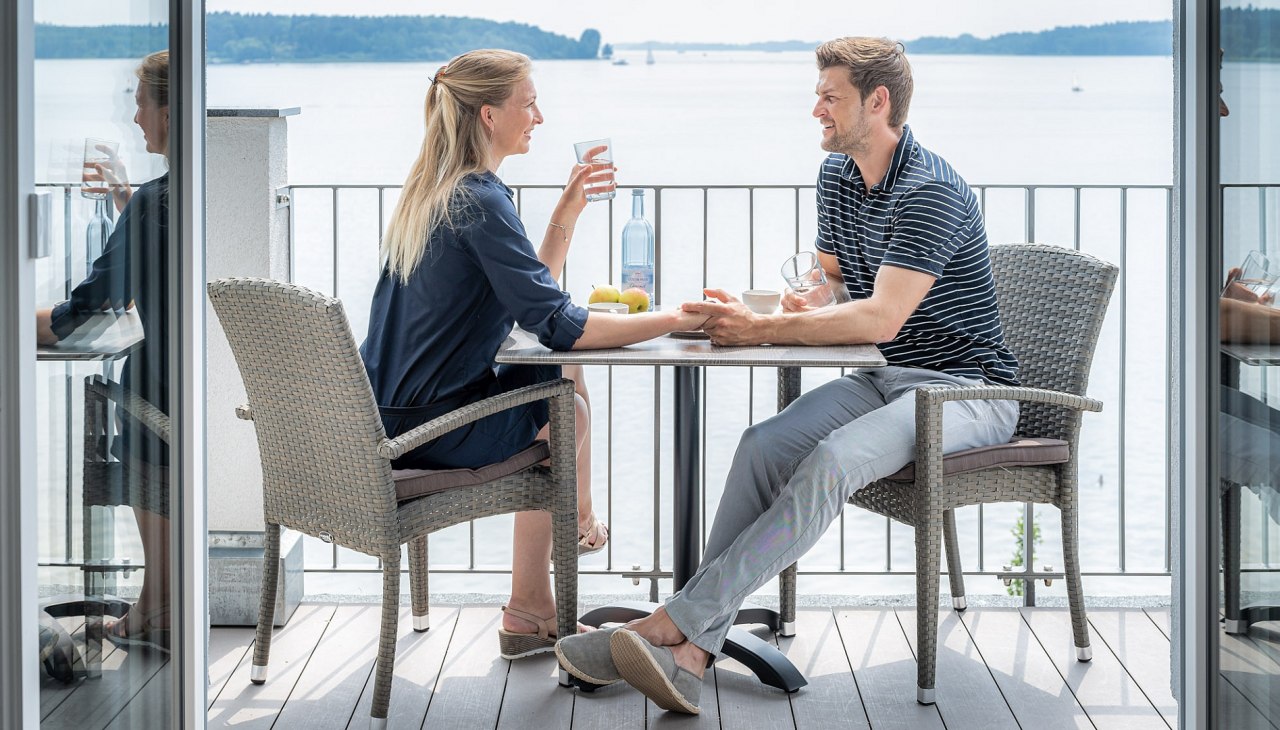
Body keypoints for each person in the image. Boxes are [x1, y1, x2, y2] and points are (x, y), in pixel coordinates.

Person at [556, 37, 1021, 714]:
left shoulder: (932, 192)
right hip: (887, 378)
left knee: (829, 462)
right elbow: (835, 288)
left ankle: (670, 624)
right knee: (762, 446)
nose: (816, 111)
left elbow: (882, 319)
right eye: (818, 96)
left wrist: (760, 326)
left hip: (967, 390)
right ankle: (688, 655)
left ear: (878, 101)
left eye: (830, 97)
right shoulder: (837, 176)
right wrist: (808, 303)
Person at [359, 49, 708, 660]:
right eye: (529, 103)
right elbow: (558, 322)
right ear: (490, 115)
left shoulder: (439, 193)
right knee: (567, 408)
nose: (539, 117)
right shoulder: (481, 202)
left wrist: (565, 214)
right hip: (428, 429)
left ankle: (536, 597)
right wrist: (678, 319)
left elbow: (533, 302)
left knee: (558, 376)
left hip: (386, 415)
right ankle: (545, 577)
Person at [35, 50, 172, 650]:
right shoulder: (180, 195)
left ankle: (158, 602)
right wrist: (125, 199)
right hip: (220, 389)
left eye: (140, 101)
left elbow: (85, 311)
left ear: (170, 110)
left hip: (166, 398)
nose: (135, 117)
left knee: (138, 390)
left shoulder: (157, 203)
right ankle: (160, 596)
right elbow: (158, 267)